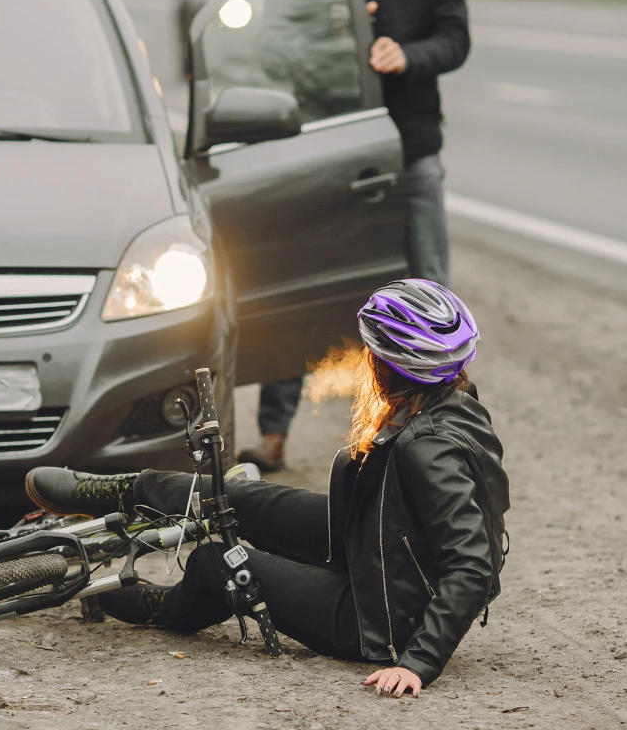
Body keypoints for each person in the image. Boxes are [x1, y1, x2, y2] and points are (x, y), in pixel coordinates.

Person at [26, 279, 507, 696]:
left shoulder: (429, 449)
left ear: (392, 366)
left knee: (218, 562)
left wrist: (416, 662)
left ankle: (164, 607)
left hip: (379, 618)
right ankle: (114, 490)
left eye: (373, 353)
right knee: (234, 496)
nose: (366, 360)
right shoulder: (452, 402)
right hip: (374, 546)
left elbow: (473, 564)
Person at [239, 0, 470, 472]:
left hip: (410, 150)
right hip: (323, 148)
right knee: (299, 287)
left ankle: (439, 439)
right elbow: (271, 47)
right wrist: (336, 30)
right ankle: (273, 436)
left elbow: (456, 39)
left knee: (428, 293)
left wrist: (406, 54)